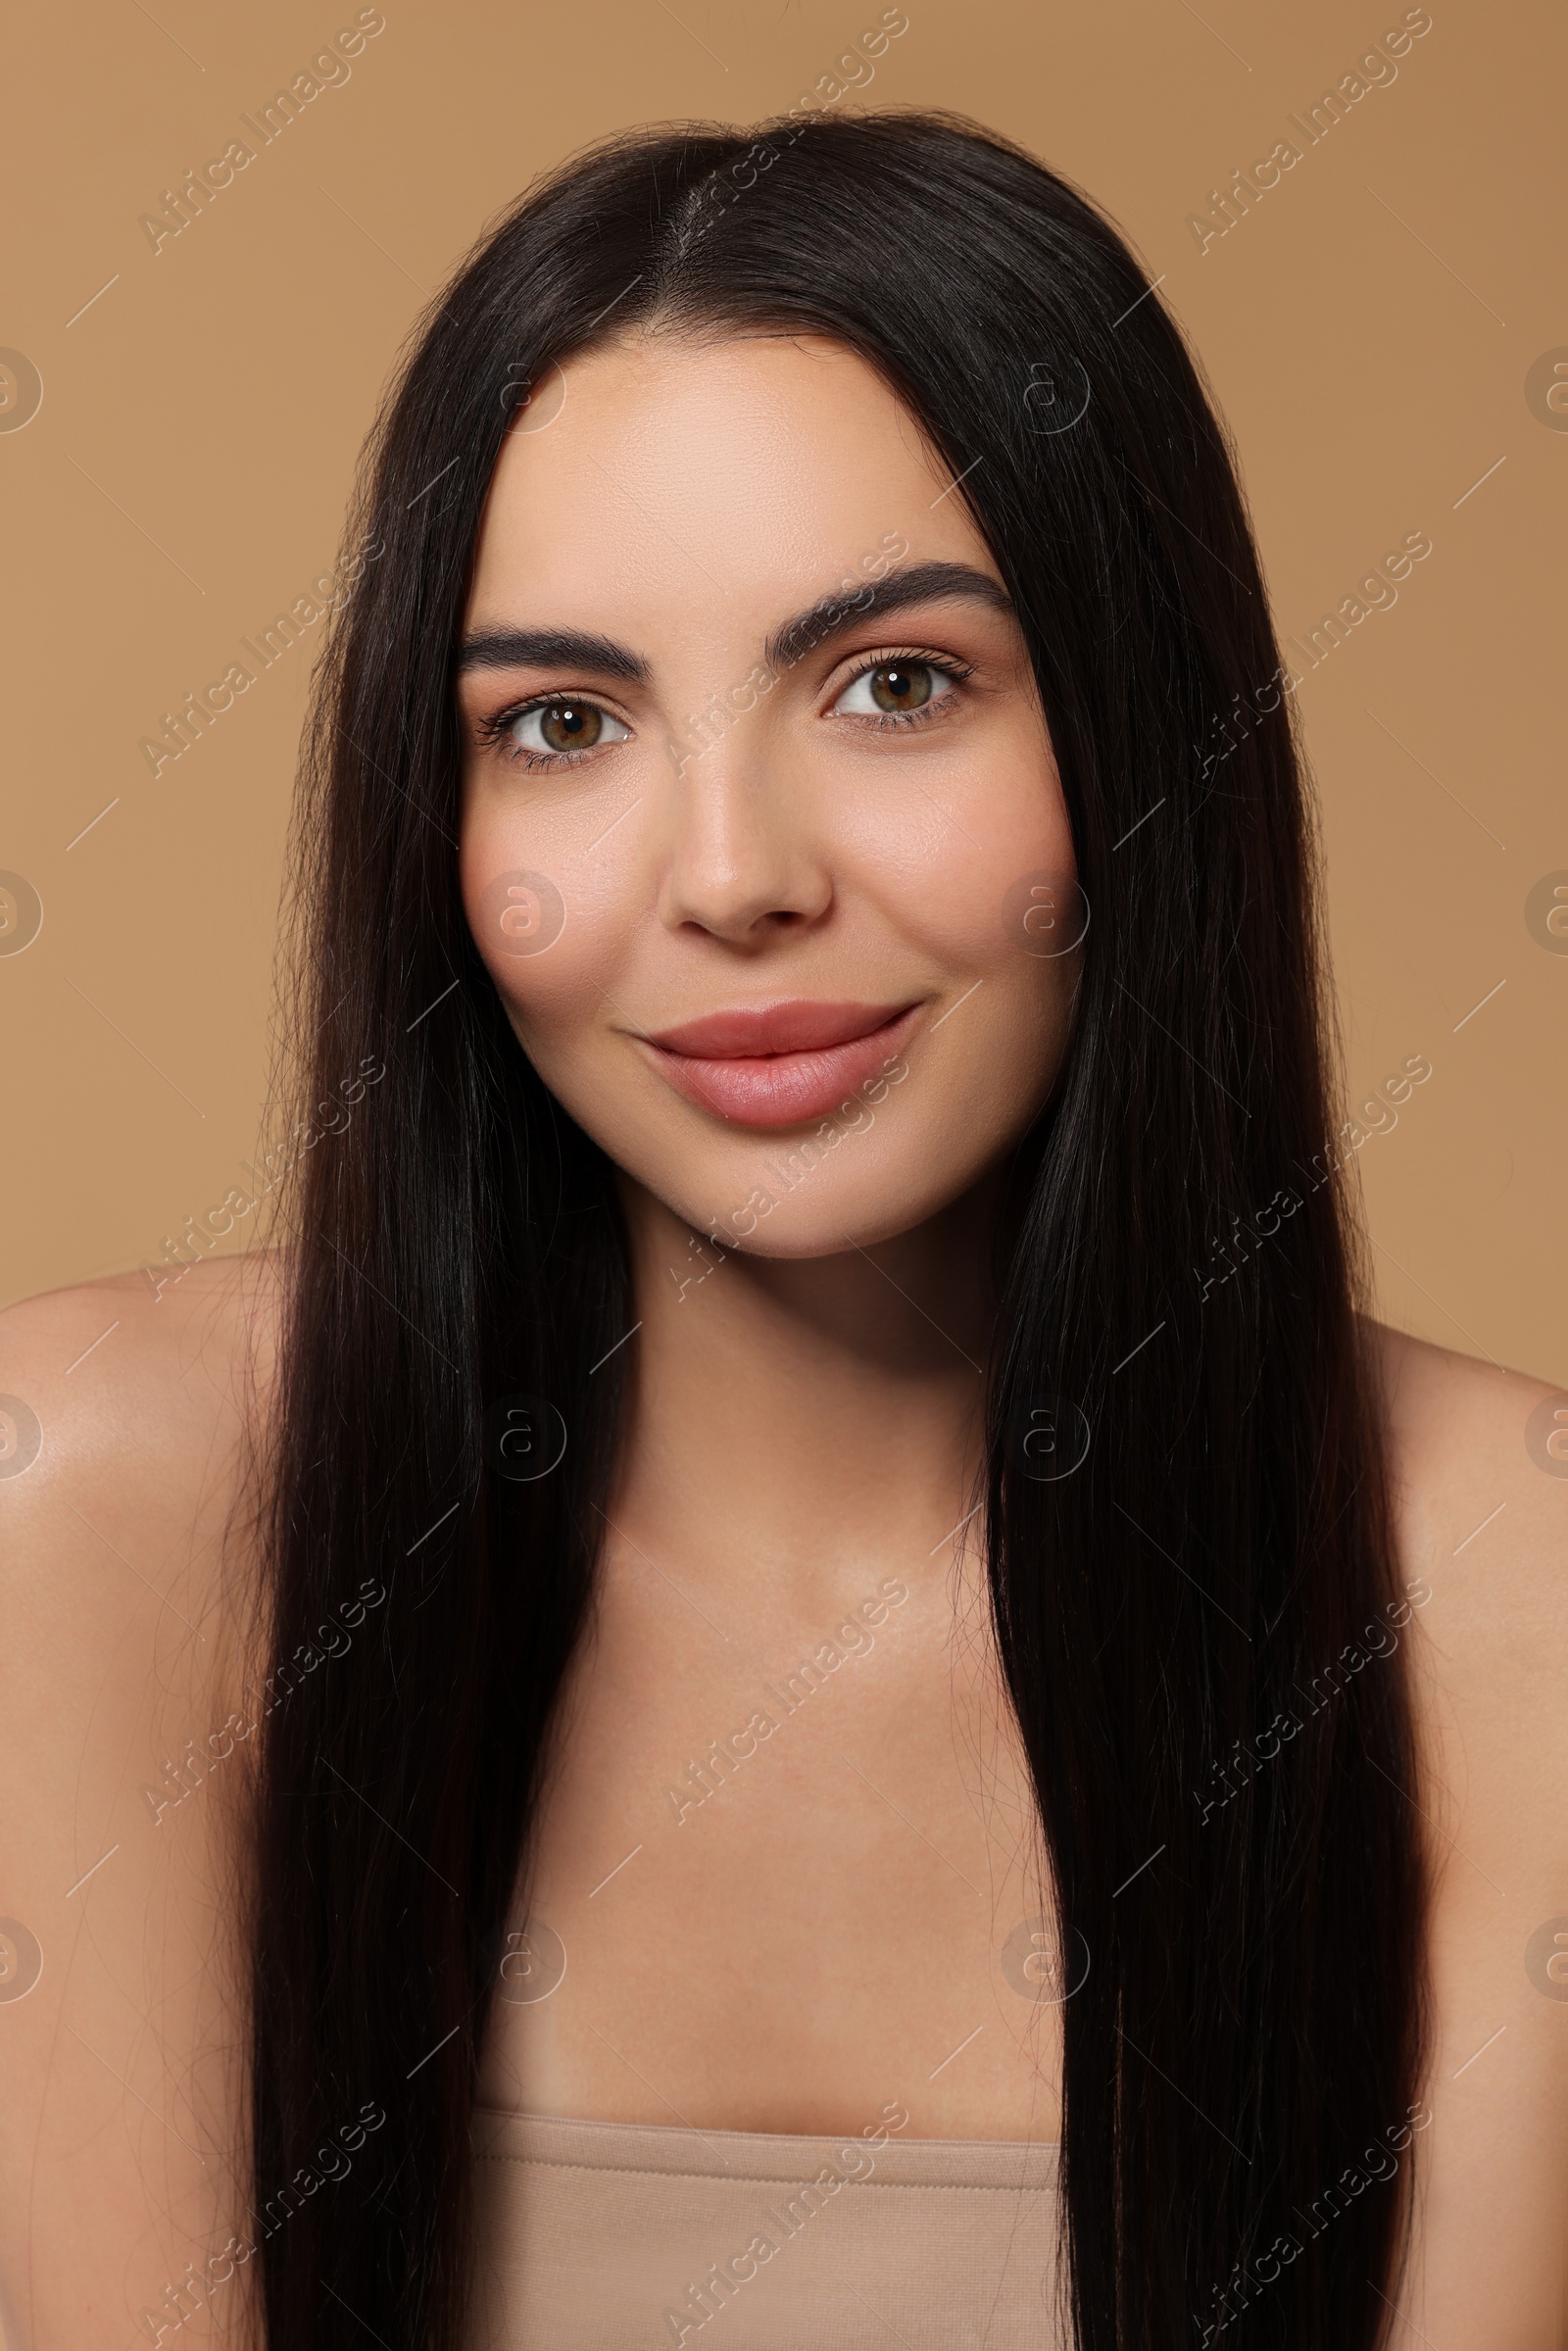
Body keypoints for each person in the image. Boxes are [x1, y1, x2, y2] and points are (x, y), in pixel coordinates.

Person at [2, 110, 1563, 2351]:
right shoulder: (109, 1511)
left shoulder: (1510, 1610)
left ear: (1143, 731)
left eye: (896, 685)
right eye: (561, 721)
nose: (727, 873)